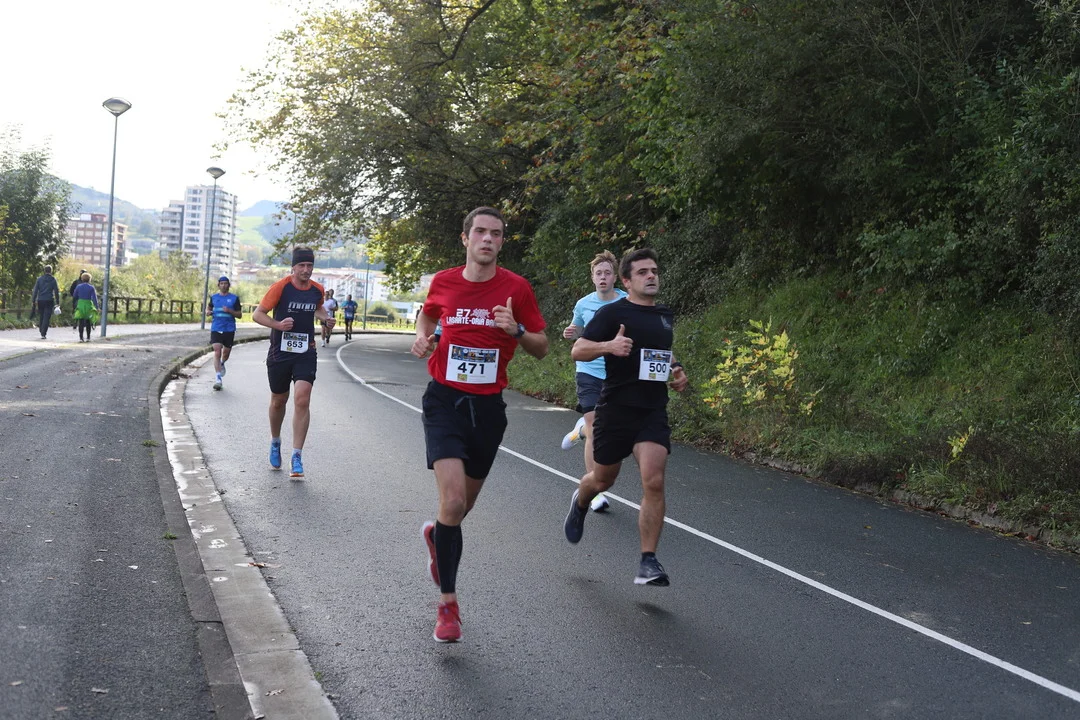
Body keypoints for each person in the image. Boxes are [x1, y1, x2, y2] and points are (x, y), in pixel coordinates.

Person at [411, 206, 548, 643]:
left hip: (487, 409)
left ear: (502, 242)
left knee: (459, 510)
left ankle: (437, 535)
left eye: (497, 233)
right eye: (481, 232)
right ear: (465, 238)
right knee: (452, 502)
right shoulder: (444, 281)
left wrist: (516, 330)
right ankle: (448, 606)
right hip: (444, 401)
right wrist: (422, 336)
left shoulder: (516, 288)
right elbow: (428, 314)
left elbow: (542, 347)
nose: (488, 239)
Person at [563, 248, 689, 587]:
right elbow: (578, 349)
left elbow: (662, 352)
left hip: (651, 410)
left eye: (654, 271)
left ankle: (648, 561)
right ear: (627, 281)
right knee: (603, 479)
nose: (651, 276)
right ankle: (581, 500)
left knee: (654, 480)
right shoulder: (612, 313)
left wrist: (676, 369)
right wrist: (608, 347)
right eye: (643, 272)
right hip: (615, 410)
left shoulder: (664, 315)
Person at [252, 247, 335, 479]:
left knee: (302, 399)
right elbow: (258, 314)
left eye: (310, 265)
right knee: (279, 401)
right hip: (280, 351)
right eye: (302, 266)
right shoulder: (281, 287)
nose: (306, 270)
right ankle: (275, 441)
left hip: (305, 351)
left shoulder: (317, 290)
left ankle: (297, 456)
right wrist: (278, 325)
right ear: (294, 267)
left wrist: (326, 319)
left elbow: (317, 308)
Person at [560, 250, 627, 513]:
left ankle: (580, 431)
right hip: (588, 370)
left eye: (607, 273)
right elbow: (578, 331)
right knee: (596, 427)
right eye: (598, 273)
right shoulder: (583, 304)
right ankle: (595, 490)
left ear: (615, 277)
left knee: (611, 429)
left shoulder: (627, 301)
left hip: (617, 374)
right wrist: (571, 332)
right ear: (592, 277)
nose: (603, 277)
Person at [206, 276, 242, 390]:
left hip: (229, 328)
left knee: (225, 353)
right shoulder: (214, 297)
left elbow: (239, 315)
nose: (223, 285)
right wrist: (208, 312)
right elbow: (208, 308)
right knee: (217, 351)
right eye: (221, 283)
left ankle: (222, 363)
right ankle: (218, 378)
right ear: (218, 285)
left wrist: (230, 311)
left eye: (225, 283)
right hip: (216, 327)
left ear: (229, 285)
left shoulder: (234, 298)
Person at [30, 265, 61, 340]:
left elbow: (35, 290)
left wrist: (33, 300)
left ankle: (41, 329)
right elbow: (56, 291)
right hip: (49, 300)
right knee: (47, 316)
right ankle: (43, 333)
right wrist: (57, 302)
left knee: (41, 315)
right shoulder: (53, 279)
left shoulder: (39, 279)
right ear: (51, 271)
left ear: (44, 271)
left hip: (40, 300)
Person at [71, 273, 99, 343]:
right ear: (89, 279)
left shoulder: (78, 287)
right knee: (88, 321)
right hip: (88, 304)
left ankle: (81, 338)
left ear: (82, 279)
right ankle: (88, 337)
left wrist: (74, 304)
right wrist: (97, 307)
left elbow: (74, 295)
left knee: (81, 322)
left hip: (81, 304)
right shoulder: (91, 287)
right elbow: (94, 298)